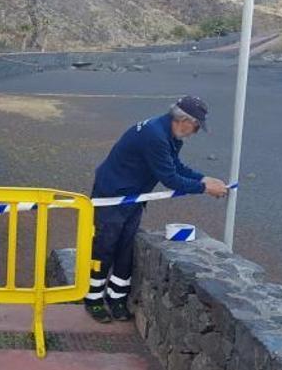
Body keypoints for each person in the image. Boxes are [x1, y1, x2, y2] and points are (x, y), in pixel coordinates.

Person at [85, 96, 229, 323]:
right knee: (104, 248)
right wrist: (204, 188)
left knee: (125, 249)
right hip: (112, 196)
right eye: (197, 126)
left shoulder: (169, 134)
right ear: (184, 120)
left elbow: (176, 166)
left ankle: (117, 298)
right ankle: (93, 300)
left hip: (132, 197)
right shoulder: (155, 136)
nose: (196, 131)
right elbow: (170, 178)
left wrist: (203, 177)